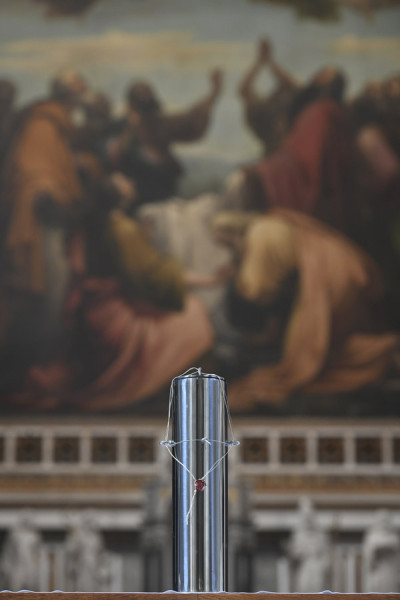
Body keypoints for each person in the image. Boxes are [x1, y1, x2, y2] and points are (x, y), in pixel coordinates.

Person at [212, 209, 399, 408]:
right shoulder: (270, 225)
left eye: (225, 241)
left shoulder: (261, 232)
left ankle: (387, 350)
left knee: (308, 357)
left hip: (327, 281)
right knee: (334, 347)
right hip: (340, 272)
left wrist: (233, 278)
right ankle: (387, 352)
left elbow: (257, 290)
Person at [108, 69, 223, 205]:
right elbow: (114, 159)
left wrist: (214, 93)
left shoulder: (160, 124)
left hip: (166, 196)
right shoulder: (122, 128)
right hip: (138, 202)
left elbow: (191, 121)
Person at [238, 39, 298, 155]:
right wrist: (263, 60)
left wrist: (266, 60)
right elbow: (244, 91)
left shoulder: (286, 113)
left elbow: (291, 86)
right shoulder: (265, 116)